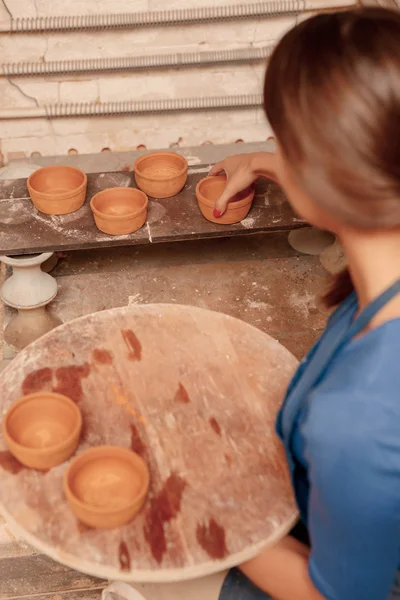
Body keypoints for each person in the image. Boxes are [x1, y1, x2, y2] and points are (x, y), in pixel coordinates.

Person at [211, 7, 400, 600]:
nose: (273, 148)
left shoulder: (360, 415)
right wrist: (272, 164)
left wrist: (211, 501)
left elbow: (335, 595)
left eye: (282, 140)